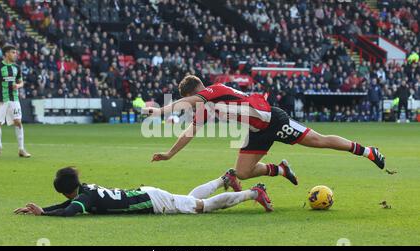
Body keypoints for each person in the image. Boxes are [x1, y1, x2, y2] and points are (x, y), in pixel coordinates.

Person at [144, 75, 385, 192]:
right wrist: (169, 154)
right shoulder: (206, 108)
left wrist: (158, 112)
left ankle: (367, 151)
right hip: (256, 131)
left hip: (273, 119)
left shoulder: (213, 90)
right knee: (242, 172)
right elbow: (189, 132)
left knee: (317, 141)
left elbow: (187, 104)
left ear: (192, 93)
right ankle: (281, 169)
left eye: (190, 100)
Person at [14, 167, 273, 216]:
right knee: (190, 199)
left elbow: (70, 211)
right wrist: (42, 209)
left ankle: (253, 193)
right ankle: (224, 178)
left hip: (152, 200)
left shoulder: (83, 198)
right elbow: (69, 206)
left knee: (200, 207)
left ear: (65, 191)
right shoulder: (86, 190)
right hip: (148, 194)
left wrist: (44, 214)